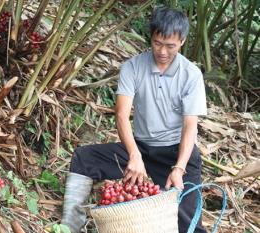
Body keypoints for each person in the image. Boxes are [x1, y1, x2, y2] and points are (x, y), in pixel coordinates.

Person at [61, 6, 208, 233]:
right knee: (84, 158)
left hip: (176, 155)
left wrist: (178, 168)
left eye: (170, 46)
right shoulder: (133, 67)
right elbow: (121, 114)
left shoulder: (191, 74)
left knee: (189, 226)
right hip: (139, 149)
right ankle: (70, 226)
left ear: (182, 41)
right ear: (151, 37)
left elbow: (190, 126)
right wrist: (134, 154)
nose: (162, 51)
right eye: (158, 43)